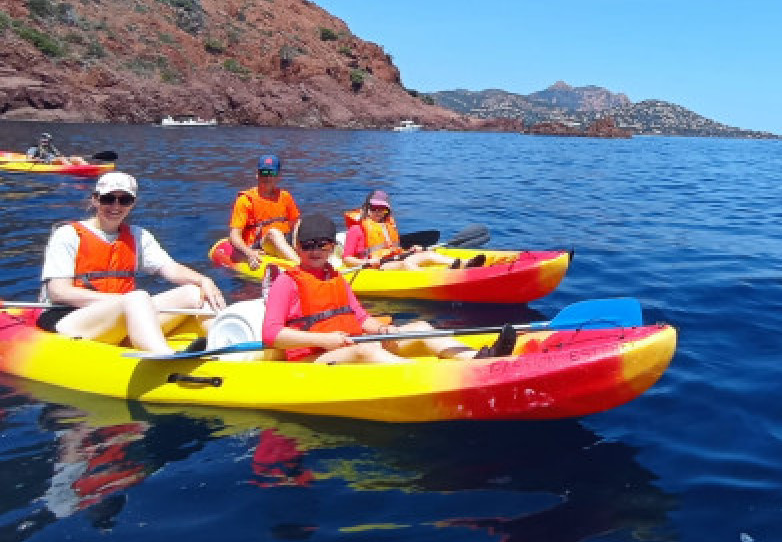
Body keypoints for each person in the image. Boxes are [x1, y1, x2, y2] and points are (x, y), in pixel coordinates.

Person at [262, 214, 515, 365]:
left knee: (420, 328)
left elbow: (361, 318)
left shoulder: (335, 277)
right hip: (312, 358)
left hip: (349, 344)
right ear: (297, 248)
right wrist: (324, 340)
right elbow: (270, 333)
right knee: (367, 349)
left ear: (331, 248)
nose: (315, 251)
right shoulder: (287, 282)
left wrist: (383, 330)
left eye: (323, 244)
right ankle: (425, 375)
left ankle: (477, 359)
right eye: (308, 245)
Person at [37, 171, 226, 354]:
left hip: (125, 313)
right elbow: (59, 291)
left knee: (194, 293)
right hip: (71, 319)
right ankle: (163, 355)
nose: (116, 206)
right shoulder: (69, 235)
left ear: (132, 203)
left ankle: (225, 346)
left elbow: (171, 269)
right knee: (137, 297)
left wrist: (203, 280)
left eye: (124, 200)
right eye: (108, 199)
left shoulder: (138, 236)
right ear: (95, 199)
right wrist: (125, 301)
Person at [341, 190, 486, 272]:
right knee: (407, 264)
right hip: (374, 267)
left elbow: (393, 248)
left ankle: (465, 263)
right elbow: (346, 258)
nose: (378, 212)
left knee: (427, 254)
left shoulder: (386, 225)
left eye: (383, 209)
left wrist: (410, 249)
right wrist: (370, 261)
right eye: (374, 208)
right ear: (367, 208)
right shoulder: (356, 229)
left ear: (387, 211)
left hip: (392, 258)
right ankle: (440, 277)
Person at [228, 154, 301, 270]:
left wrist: (297, 245)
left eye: (272, 173)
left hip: (283, 240)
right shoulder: (245, 200)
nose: (267, 178)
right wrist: (249, 253)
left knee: (304, 224)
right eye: (264, 173)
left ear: (278, 176)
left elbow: (296, 223)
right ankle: (303, 268)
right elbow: (234, 235)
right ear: (257, 175)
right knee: (274, 233)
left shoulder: (285, 196)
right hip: (260, 245)